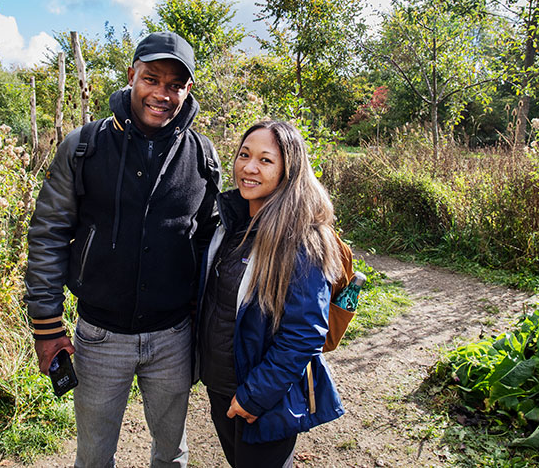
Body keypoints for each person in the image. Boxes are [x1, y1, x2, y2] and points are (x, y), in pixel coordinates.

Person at [24, 31, 220, 468]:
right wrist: (46, 325)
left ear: (188, 89)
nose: (162, 94)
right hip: (99, 336)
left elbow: (210, 241)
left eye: (175, 85)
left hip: (173, 337)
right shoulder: (84, 147)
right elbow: (48, 234)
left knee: (171, 454)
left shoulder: (203, 155)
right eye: (152, 79)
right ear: (132, 76)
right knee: (94, 456)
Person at [196, 120, 344, 468]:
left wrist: (253, 397)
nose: (249, 167)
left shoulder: (302, 239)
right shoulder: (231, 223)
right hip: (222, 385)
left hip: (262, 396)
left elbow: (304, 333)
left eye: (265, 160)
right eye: (244, 155)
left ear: (288, 170)